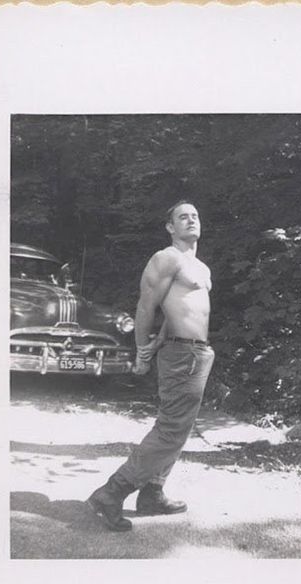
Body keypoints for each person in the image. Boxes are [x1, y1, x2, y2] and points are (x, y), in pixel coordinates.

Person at [87, 201, 214, 531]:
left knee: (179, 429)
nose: (191, 220)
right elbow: (146, 307)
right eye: (182, 217)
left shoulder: (200, 267)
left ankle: (153, 493)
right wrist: (143, 350)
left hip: (196, 353)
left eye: (195, 215)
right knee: (171, 429)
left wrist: (158, 342)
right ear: (170, 227)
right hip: (182, 355)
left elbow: (178, 313)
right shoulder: (166, 258)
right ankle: (111, 493)